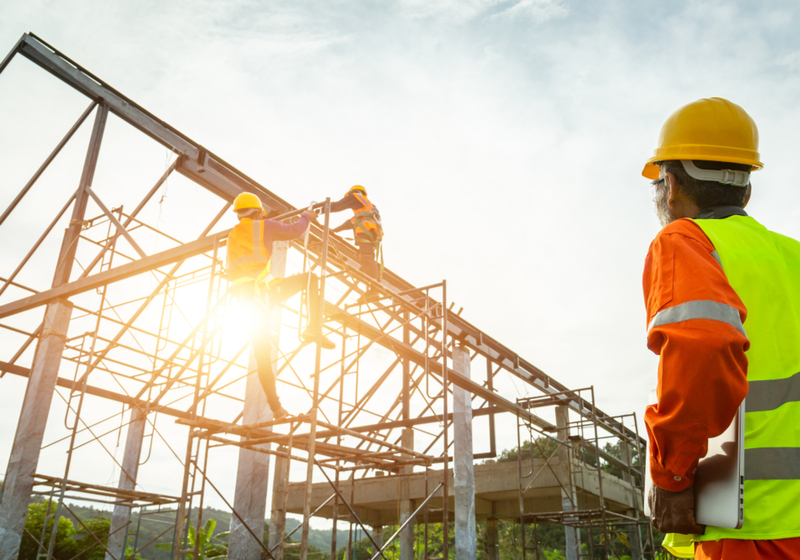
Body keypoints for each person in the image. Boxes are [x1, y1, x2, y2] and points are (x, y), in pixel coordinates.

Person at [641, 97, 800, 559]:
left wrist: (672, 475)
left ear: (669, 186)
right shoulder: (792, 256)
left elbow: (704, 345)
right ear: (746, 191)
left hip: (751, 528)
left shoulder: (684, 241)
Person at [226, 192, 335, 419]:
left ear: (238, 214)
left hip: (247, 300)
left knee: (262, 353)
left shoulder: (232, 236)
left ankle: (276, 409)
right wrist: (307, 216)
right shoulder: (264, 226)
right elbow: (295, 231)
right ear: (257, 212)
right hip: (263, 293)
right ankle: (313, 327)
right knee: (309, 279)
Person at [331, 185, 383, 301]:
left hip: (366, 232)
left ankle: (374, 289)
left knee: (367, 258)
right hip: (371, 233)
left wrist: (319, 209)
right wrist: (334, 230)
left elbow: (337, 206)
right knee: (366, 258)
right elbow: (350, 223)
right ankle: (373, 288)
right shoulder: (367, 209)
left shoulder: (356, 197)